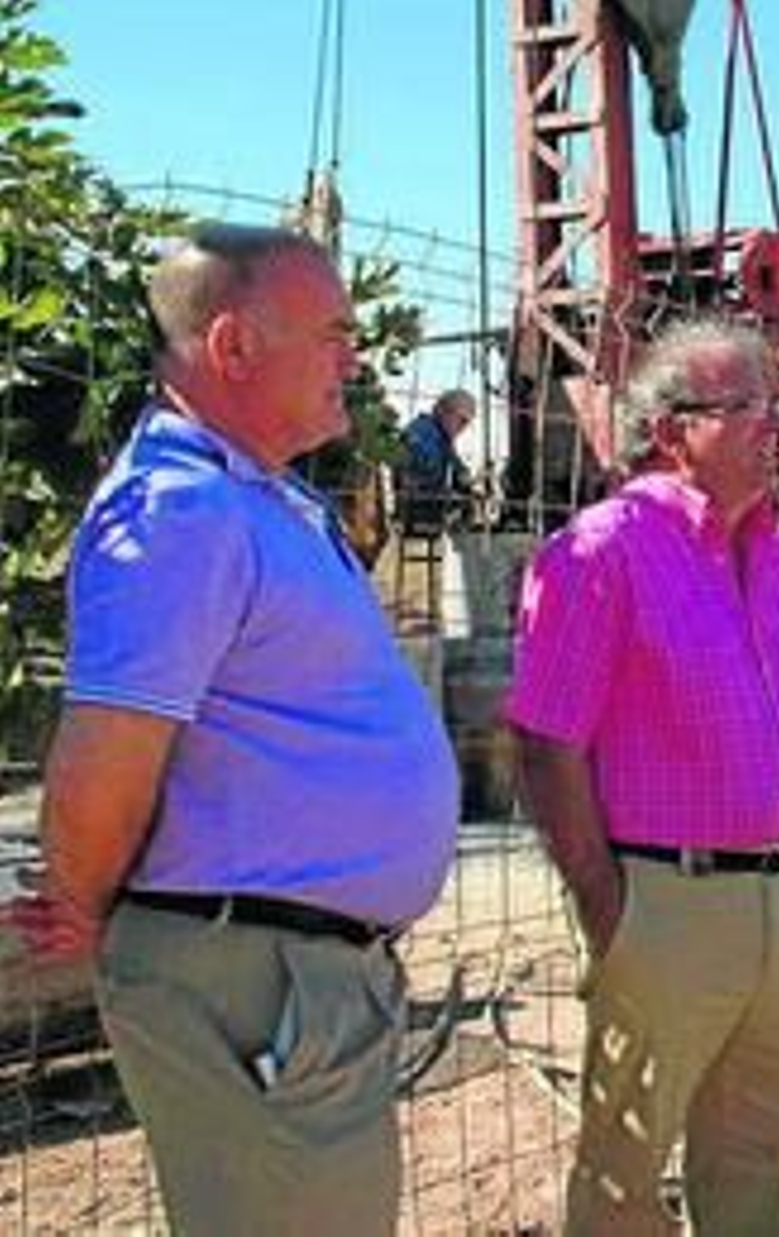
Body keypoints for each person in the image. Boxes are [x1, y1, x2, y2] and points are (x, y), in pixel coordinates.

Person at [6, 224, 460, 1235]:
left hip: (290, 981)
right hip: (257, 984)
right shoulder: (180, 513)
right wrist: (81, 902)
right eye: (333, 333)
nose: (357, 355)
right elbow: (108, 753)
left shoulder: (258, 502)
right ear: (234, 348)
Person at [505, 315, 779, 1236]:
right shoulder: (599, 552)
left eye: (772, 403)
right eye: (746, 408)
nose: (775, 425)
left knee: (766, 1161)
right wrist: (608, 906)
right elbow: (546, 743)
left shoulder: (771, 549)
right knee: (626, 1175)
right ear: (671, 432)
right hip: (668, 902)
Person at [397, 387, 476, 533]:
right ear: (444, 412)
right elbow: (420, 473)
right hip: (417, 510)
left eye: (466, 423)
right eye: (462, 421)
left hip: (428, 506)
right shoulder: (421, 432)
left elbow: (457, 465)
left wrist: (465, 476)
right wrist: (452, 493)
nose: (463, 428)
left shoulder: (442, 436)